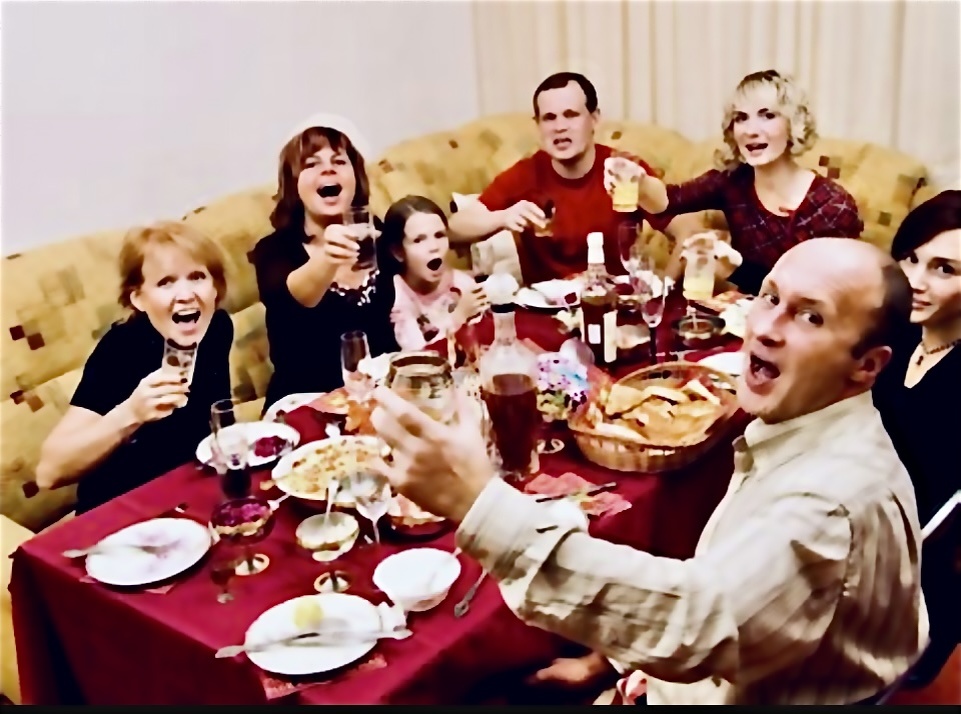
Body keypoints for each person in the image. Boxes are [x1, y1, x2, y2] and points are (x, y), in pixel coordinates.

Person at [370, 238, 928, 705]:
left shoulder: (827, 500)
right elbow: (739, 590)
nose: (767, 328)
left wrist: (477, 503)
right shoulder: (809, 431)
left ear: (867, 365)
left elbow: (700, 620)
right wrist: (617, 661)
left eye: (811, 316)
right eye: (770, 297)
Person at [35, 221, 233, 514]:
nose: (186, 294)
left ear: (215, 287)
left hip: (191, 493)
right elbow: (49, 472)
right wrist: (130, 414)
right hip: (122, 511)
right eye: (165, 282)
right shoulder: (121, 350)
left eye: (197, 277)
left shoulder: (217, 327)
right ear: (138, 298)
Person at [655, 70, 863, 295]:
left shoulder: (832, 206)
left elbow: (818, 298)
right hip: (744, 312)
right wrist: (635, 177)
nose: (751, 131)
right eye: (741, 118)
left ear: (793, 125)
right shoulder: (733, 181)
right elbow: (665, 200)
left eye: (768, 115)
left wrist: (735, 269)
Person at [448, 72, 668, 283]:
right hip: (545, 305)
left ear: (594, 119)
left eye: (571, 115)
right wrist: (502, 217)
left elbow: (682, 225)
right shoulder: (526, 173)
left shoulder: (623, 169)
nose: (560, 127)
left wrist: (667, 286)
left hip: (617, 302)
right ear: (538, 125)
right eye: (549, 118)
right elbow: (454, 229)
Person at [250, 114, 398, 410]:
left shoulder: (375, 234)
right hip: (306, 405)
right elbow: (296, 297)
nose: (328, 168)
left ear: (356, 177)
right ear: (293, 183)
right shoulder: (273, 251)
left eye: (339, 161)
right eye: (311, 163)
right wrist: (328, 258)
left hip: (379, 396)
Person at [873, 189, 961, 687]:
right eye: (910, 259)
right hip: (866, 517)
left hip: (913, 569)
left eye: (945, 269)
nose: (916, 282)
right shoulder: (902, 332)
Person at [381, 195, 489, 350]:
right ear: (398, 252)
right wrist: (458, 317)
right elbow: (419, 354)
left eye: (439, 235)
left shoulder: (462, 284)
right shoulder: (395, 296)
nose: (434, 247)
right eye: (418, 240)